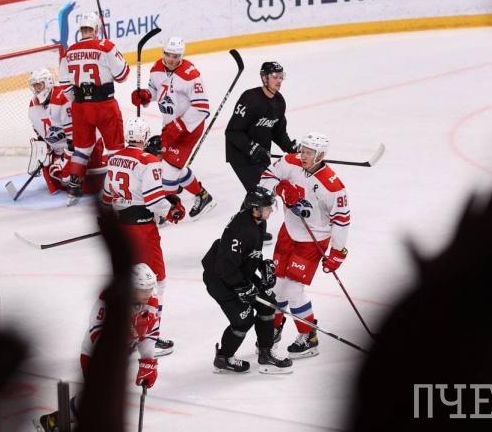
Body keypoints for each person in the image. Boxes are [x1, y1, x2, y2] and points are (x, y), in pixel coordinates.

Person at [37, 263, 161, 432]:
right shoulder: (111, 300)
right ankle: (56, 420)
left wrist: (148, 361)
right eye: (144, 290)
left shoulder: (151, 302)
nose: (149, 293)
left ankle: (54, 419)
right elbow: (96, 331)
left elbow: (150, 334)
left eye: (150, 289)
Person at [258, 132, 350, 358]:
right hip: (288, 232)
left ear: (320, 155)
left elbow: (341, 220)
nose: (304, 156)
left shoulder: (333, 186)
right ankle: (274, 329)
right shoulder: (290, 162)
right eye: (303, 151)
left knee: (293, 289)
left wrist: (337, 252)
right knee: (276, 285)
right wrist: (280, 189)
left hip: (313, 240)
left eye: (309, 153)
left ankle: (309, 337)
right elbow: (266, 177)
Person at [100, 116, 186, 357]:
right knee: (155, 282)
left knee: (129, 281)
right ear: (146, 137)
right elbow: (154, 201)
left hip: (121, 229)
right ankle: (150, 338)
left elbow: (106, 195)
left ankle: (125, 333)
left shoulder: (114, 157)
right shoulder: (148, 161)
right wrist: (172, 212)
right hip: (142, 231)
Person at [201, 186, 293, 374]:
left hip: (239, 273)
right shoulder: (241, 230)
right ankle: (223, 358)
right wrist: (243, 287)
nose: (271, 210)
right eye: (267, 207)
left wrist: (262, 265)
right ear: (254, 209)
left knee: (268, 305)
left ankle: (265, 353)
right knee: (243, 320)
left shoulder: (258, 221)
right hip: (220, 280)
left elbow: (249, 252)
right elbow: (225, 267)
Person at [131, 37, 215, 219]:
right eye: (168, 54)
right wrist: (145, 95)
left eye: (175, 56)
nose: (170, 59)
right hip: (169, 125)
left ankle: (165, 211)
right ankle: (203, 195)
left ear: (181, 56)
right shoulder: (156, 68)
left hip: (189, 129)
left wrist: (179, 126)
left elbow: (202, 107)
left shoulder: (190, 75)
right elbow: (155, 90)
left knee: (168, 174)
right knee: (170, 164)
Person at [58, 11, 130, 197]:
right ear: (96, 29)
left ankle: (74, 184)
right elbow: (123, 75)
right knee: (115, 147)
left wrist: (79, 100)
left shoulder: (69, 51)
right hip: (105, 105)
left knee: (82, 148)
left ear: (81, 30)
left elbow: (65, 85)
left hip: (80, 107)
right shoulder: (106, 46)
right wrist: (114, 55)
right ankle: (116, 186)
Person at [225, 61, 297, 242]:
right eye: (274, 77)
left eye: (281, 77)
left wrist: (290, 148)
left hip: (261, 155)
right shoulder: (250, 99)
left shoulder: (279, 102)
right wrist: (252, 148)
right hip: (240, 154)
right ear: (264, 78)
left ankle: (242, 228)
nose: (278, 81)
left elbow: (278, 132)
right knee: (260, 191)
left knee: (262, 191)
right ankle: (248, 230)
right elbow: (232, 131)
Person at [27, 67, 106, 195]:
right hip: (64, 149)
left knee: (83, 185)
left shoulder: (63, 98)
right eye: (34, 86)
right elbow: (41, 134)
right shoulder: (32, 106)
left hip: (85, 145)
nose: (36, 90)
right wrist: (42, 151)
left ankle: (106, 161)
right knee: (55, 177)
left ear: (48, 83)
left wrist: (65, 160)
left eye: (39, 85)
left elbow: (76, 137)